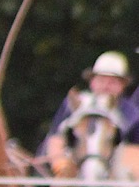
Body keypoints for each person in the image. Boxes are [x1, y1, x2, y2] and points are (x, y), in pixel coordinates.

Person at [41, 50, 139, 179]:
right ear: (92, 82)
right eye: (101, 80)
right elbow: (56, 138)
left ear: (123, 85)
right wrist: (60, 164)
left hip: (117, 172)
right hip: (72, 166)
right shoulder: (75, 103)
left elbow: (134, 150)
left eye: (112, 82)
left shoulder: (132, 113)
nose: (106, 86)